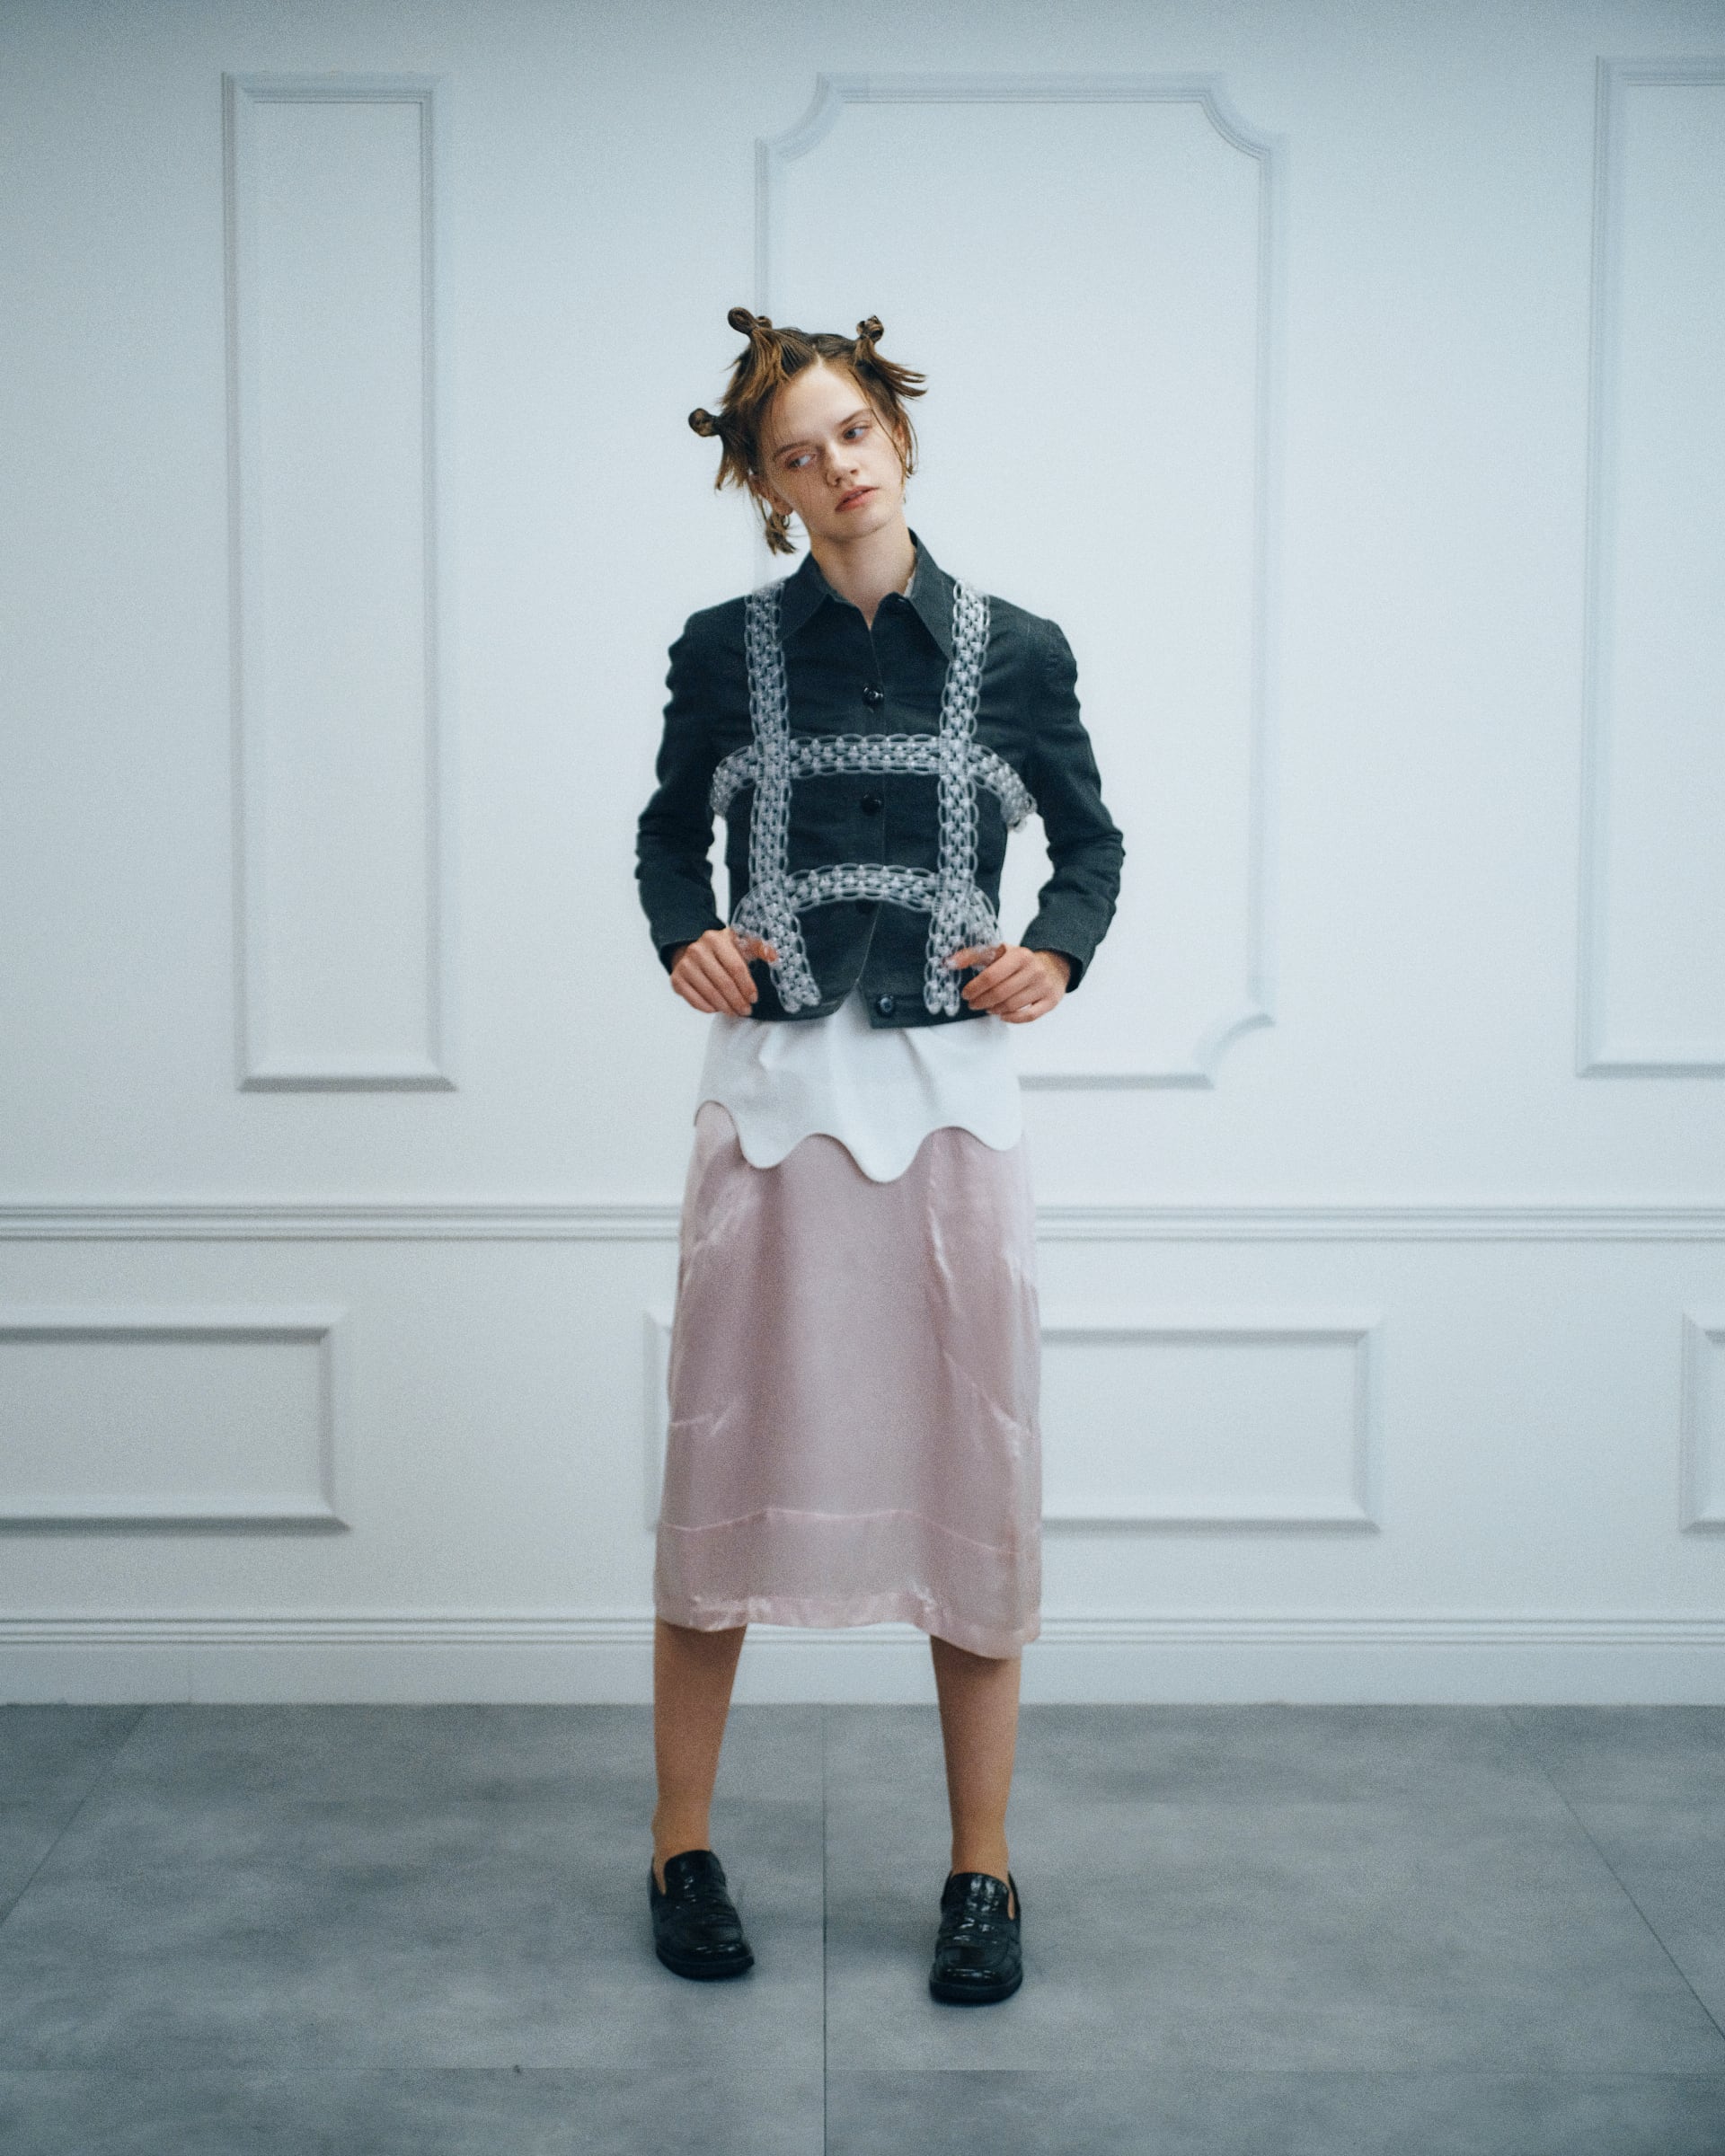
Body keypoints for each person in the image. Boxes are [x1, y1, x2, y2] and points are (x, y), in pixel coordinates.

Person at [634, 305, 1124, 2005]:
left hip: (953, 1102)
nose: (836, 466)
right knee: (718, 1460)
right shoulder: (720, 650)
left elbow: (1092, 845)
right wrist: (688, 932)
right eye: (798, 454)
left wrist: (1055, 952)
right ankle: (679, 1847)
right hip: (773, 1095)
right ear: (768, 490)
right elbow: (668, 838)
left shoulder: (1020, 649)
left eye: (853, 431)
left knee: (973, 1467)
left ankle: (983, 1868)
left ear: (897, 436)